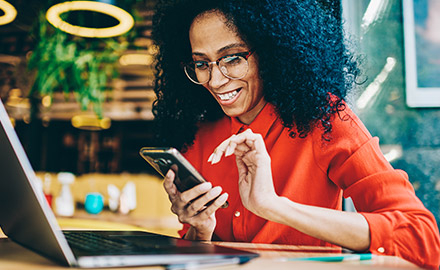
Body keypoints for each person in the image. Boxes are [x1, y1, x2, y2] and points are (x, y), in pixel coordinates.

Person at [150, 0, 440, 268]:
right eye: (201, 64)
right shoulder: (199, 133)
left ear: (271, 51)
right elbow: (195, 259)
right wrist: (199, 232)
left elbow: (421, 239)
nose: (214, 79)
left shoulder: (323, 119)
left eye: (233, 58)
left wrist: (275, 207)